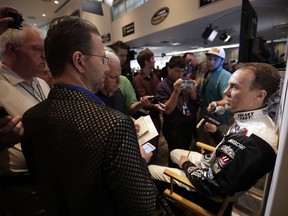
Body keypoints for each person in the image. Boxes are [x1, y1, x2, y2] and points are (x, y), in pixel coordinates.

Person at [20, 16, 157, 215]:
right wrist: (139, 161)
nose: (107, 67)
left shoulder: (30, 118)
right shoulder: (114, 125)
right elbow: (142, 205)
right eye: (102, 59)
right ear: (79, 61)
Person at [149, 62, 280, 214]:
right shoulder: (254, 120)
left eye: (235, 87)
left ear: (260, 95)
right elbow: (230, 149)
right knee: (174, 152)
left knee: (150, 169)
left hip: (210, 191)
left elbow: (210, 185)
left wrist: (186, 164)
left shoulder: (252, 141)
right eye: (229, 85)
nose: (226, 92)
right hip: (214, 168)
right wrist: (215, 132)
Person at [0, 22, 49, 215]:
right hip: (16, 186)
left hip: (47, 180)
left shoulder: (43, 83)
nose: (44, 56)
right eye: (37, 49)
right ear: (13, 50)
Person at [97, 50, 153, 163]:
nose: (119, 82)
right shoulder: (94, 101)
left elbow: (124, 113)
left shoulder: (117, 93)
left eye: (119, 76)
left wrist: (130, 120)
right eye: (113, 77)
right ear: (101, 75)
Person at [156, 56, 198, 156]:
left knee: (187, 152)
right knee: (175, 155)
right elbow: (167, 110)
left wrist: (192, 91)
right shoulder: (162, 86)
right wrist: (175, 92)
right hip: (173, 127)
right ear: (169, 69)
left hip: (188, 124)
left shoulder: (185, 80)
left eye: (182, 71)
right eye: (177, 71)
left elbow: (195, 99)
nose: (180, 74)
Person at [132, 49, 162, 164]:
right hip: (146, 118)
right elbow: (145, 101)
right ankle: (148, 168)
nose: (155, 61)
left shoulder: (155, 77)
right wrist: (156, 104)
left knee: (156, 145)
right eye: (152, 59)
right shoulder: (137, 80)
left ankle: (154, 167)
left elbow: (157, 96)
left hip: (155, 116)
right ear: (146, 62)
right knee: (148, 145)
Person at [197, 47, 232, 146]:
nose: (211, 62)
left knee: (216, 149)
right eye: (209, 59)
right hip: (205, 118)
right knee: (204, 147)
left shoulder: (225, 76)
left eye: (215, 59)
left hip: (219, 122)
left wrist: (217, 103)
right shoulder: (206, 75)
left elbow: (227, 99)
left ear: (222, 61)